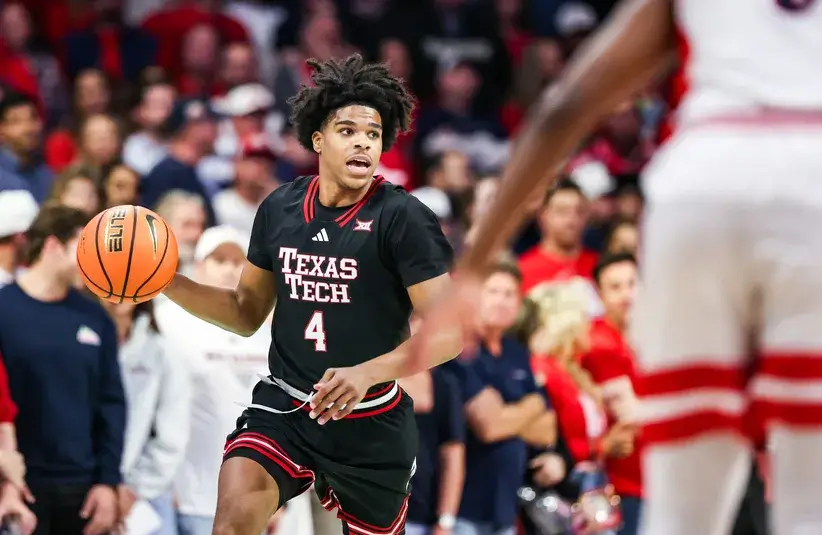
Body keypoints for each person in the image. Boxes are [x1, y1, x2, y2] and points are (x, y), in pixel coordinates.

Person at [416, 1, 822, 534]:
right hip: (812, 187)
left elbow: (569, 105)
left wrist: (474, 263)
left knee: (681, 508)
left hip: (702, 186)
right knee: (809, 502)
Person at [160, 54, 461, 535]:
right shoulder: (280, 208)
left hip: (371, 420)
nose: (363, 140)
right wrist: (167, 281)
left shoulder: (404, 218)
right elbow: (244, 314)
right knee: (235, 517)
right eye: (348, 130)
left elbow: (449, 333)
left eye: (374, 133)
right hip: (287, 406)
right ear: (318, 139)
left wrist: (368, 372)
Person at [0, 204, 125, 535]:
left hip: (81, 488)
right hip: (17, 486)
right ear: (54, 245)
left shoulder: (95, 316)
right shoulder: (3, 308)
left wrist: (108, 482)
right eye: (84, 248)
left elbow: (111, 405)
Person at [100, 300, 189, 535]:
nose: (118, 295)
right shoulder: (76, 342)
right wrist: (103, 483)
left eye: (127, 285)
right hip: (87, 492)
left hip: (146, 499)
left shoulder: (161, 350)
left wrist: (135, 488)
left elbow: (172, 430)